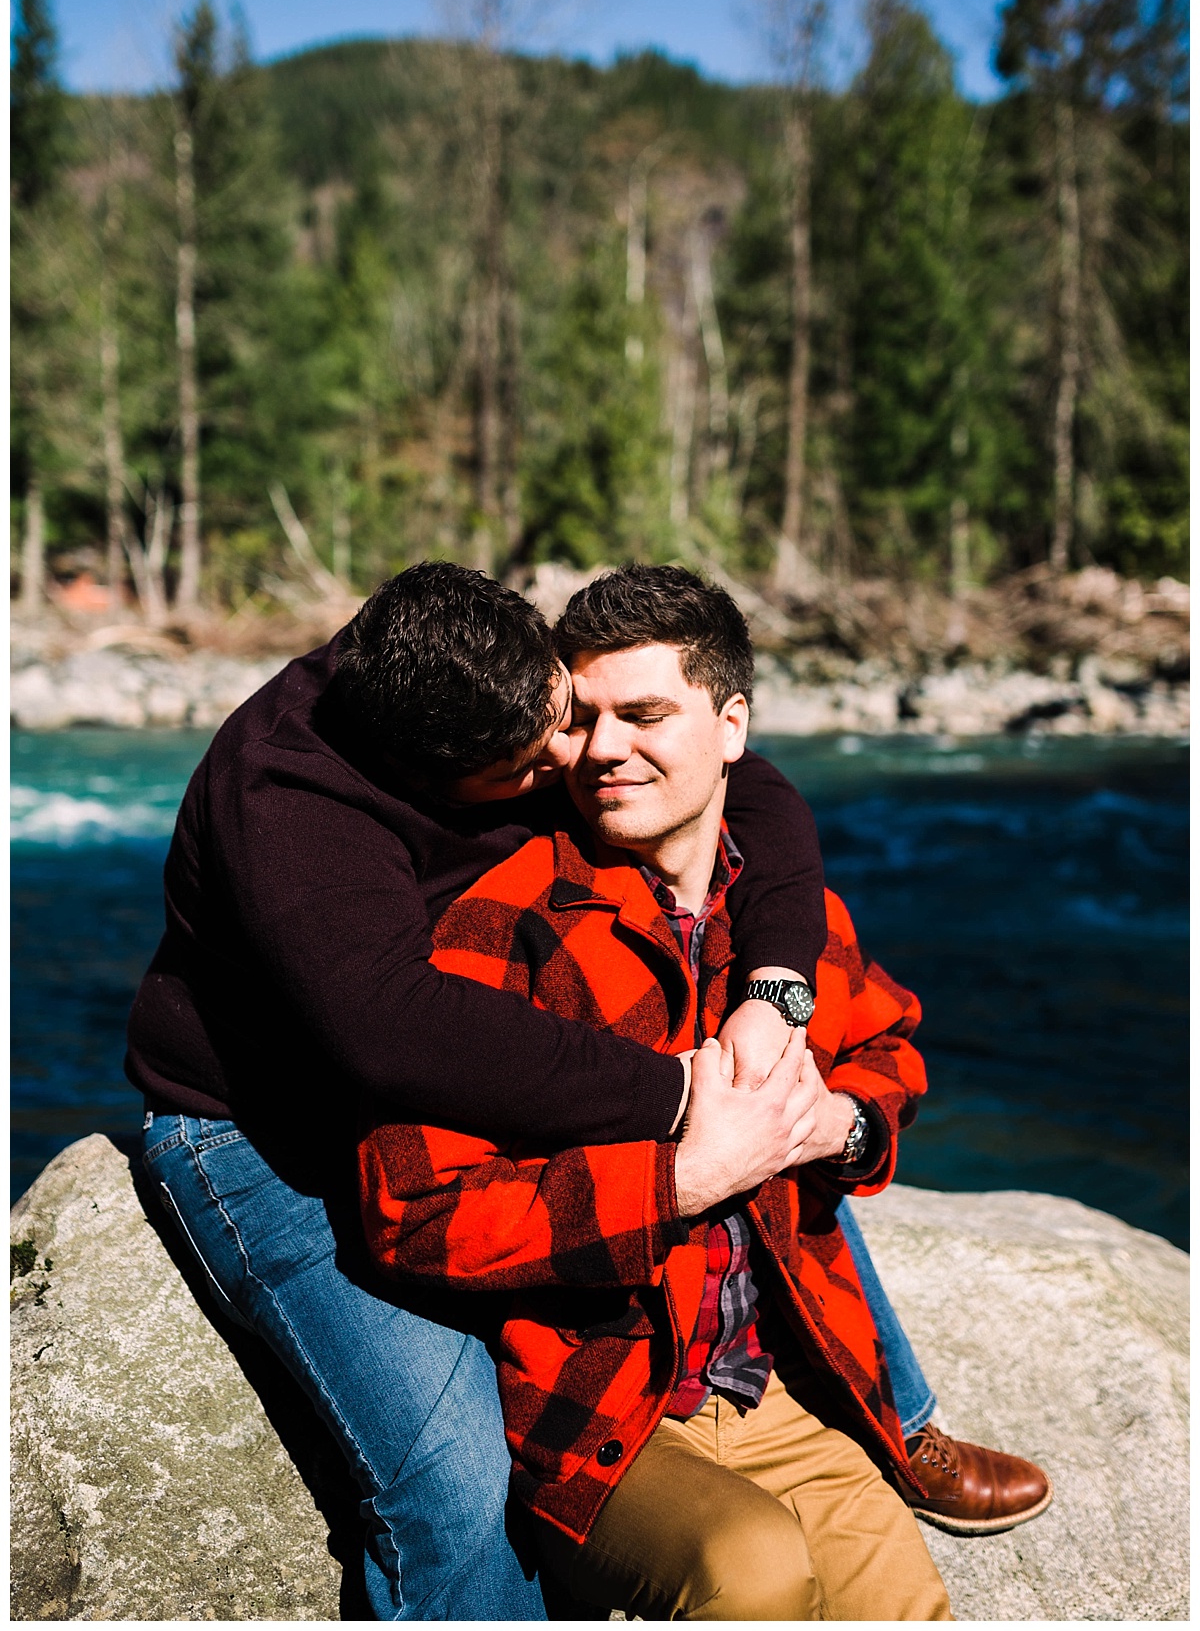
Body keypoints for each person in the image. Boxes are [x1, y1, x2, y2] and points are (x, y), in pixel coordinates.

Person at [130, 563, 1047, 1619]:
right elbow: (396, 1038)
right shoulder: (291, 805)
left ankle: (901, 1414)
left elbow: (753, 791)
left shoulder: (470, 658)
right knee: (451, 1490)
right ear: (437, 774)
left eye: (580, 721)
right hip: (259, 1119)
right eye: (542, 759)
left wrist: (779, 993)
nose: (586, 760)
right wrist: (680, 1111)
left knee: (772, 1115)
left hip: (425, 1052)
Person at [359, 566, 957, 1617]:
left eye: (644, 714)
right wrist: (679, 1179)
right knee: (753, 1566)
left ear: (732, 726)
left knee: (902, 1599)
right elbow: (416, 1206)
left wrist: (842, 1122)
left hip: (783, 1392)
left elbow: (894, 1043)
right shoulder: (510, 922)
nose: (601, 749)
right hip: (605, 1405)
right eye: (583, 719)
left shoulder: (785, 921)